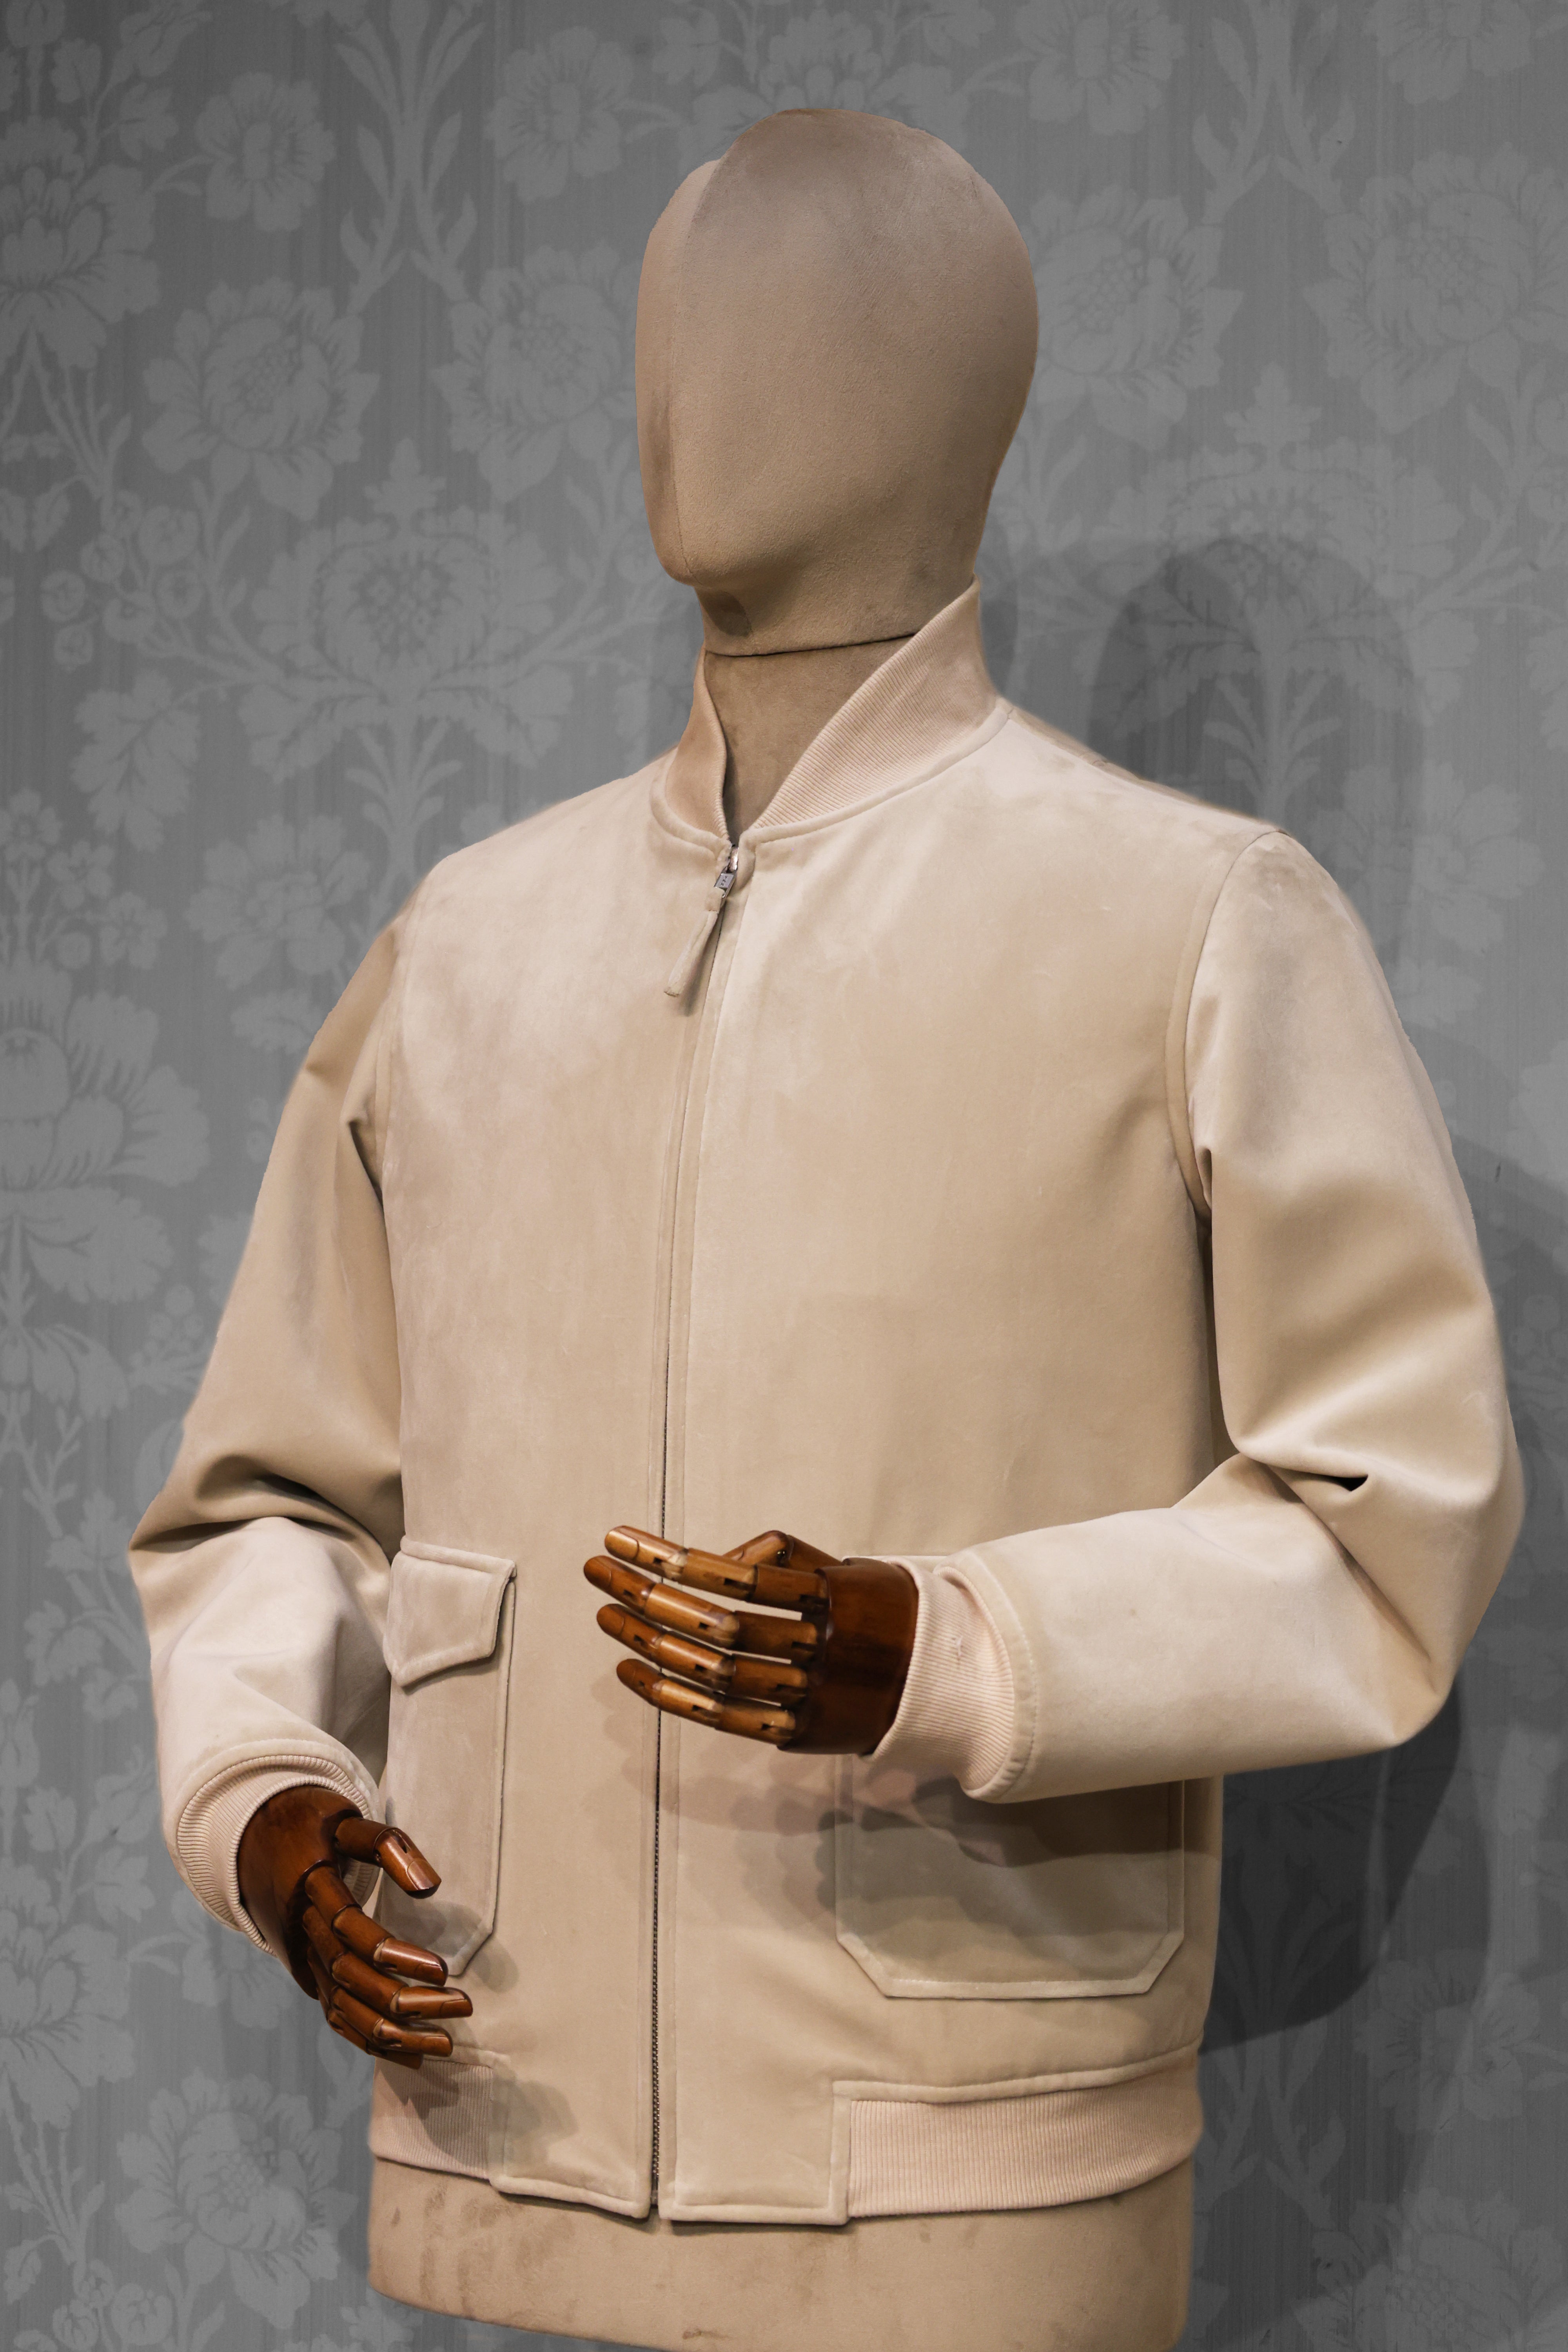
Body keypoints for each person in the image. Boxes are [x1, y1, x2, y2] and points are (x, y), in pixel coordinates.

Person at [129, 109, 1521, 2352]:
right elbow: (269, 1495)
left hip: (974, 2160)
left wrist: (960, 1649)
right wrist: (270, 1800)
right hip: (502, 2114)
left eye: (772, 322)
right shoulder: (467, 945)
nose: (683, 388)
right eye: (664, 323)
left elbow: (1394, 1523)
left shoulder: (1190, 922)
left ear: (953, 395)